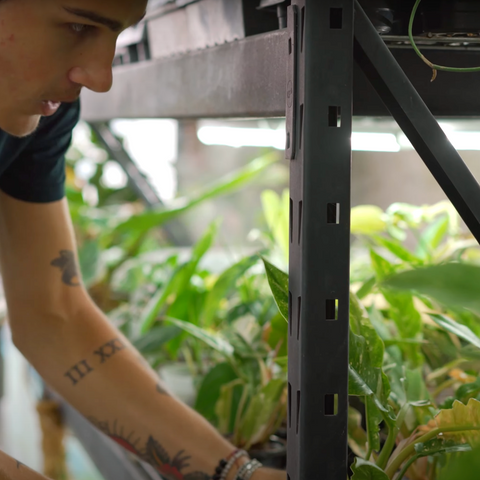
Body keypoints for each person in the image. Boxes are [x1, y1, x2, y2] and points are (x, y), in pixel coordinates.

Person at [0, 1, 287, 479]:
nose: (100, 76)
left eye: (116, 36)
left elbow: (55, 315)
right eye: (77, 25)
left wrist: (238, 474)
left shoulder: (36, 112)